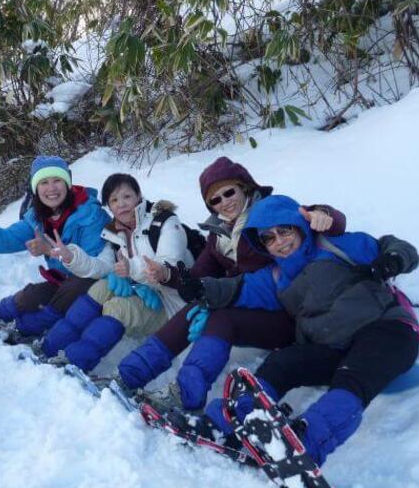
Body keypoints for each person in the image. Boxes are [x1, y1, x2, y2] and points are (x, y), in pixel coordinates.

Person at [198, 194, 419, 467]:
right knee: (283, 362)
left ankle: (308, 440)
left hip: (386, 330)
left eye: (284, 230)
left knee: (354, 375)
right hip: (335, 348)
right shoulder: (276, 277)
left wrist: (392, 259)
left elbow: (396, 247)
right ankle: (238, 419)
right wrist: (195, 286)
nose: (279, 241)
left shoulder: (335, 245)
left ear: (298, 225)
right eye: (269, 238)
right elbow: (235, 289)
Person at [117, 157, 346, 410]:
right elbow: (198, 276)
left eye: (229, 192)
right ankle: (129, 375)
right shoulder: (218, 236)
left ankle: (186, 395)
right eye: (215, 199)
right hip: (245, 302)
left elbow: (313, 217)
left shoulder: (267, 214)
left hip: (287, 312)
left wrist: (324, 214)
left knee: (220, 317)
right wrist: (166, 275)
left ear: (244, 187)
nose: (225, 202)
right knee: (195, 309)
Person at [39, 173, 193, 371]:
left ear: (139, 196)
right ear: (109, 206)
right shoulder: (114, 234)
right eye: (114, 200)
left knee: (118, 308)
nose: (121, 204)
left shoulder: (165, 223)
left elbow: (169, 266)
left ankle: (75, 362)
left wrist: (133, 270)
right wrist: (72, 257)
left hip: (175, 307)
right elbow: (101, 266)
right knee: (100, 288)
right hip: (145, 296)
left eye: (127, 197)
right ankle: (49, 348)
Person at [0, 155, 109, 337]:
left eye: (57, 180)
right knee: (32, 296)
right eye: (43, 182)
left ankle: (26, 329)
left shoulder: (90, 214)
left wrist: (52, 252)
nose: (51, 188)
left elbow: (94, 269)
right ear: (36, 188)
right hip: (63, 283)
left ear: (68, 183)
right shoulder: (37, 217)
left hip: (93, 287)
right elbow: (3, 242)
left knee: (73, 289)